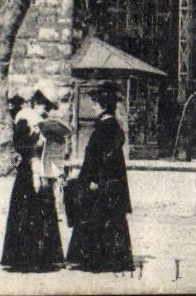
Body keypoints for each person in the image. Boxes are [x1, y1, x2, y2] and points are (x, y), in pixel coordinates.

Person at [63, 82, 134, 272]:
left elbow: (101, 159)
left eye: (95, 104)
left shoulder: (105, 128)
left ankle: (95, 261)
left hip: (102, 183)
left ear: (102, 106)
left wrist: (92, 179)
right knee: (110, 220)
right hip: (111, 184)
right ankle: (113, 260)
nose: (93, 107)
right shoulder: (111, 127)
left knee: (95, 219)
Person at [0, 83, 65, 273]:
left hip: (44, 170)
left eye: (49, 107)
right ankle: (25, 259)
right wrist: (33, 139)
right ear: (36, 101)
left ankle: (45, 258)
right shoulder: (25, 118)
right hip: (28, 171)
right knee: (28, 212)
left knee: (44, 210)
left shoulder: (45, 121)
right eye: (43, 105)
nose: (45, 110)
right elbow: (19, 145)